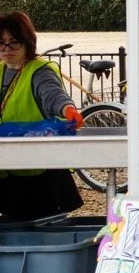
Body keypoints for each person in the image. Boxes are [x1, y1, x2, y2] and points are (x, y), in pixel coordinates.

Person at [0, 11, 84, 222]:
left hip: (39, 173)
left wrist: (68, 110)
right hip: (6, 170)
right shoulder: (0, 69)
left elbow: (54, 96)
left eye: (14, 42)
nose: (7, 49)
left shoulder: (40, 72)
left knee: (41, 231)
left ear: (28, 42)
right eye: (1, 43)